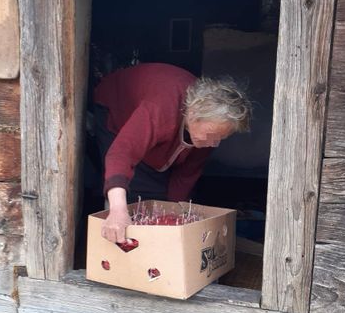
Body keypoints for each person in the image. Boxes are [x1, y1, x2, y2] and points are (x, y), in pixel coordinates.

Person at [93, 63, 251, 243]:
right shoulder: (162, 108)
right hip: (117, 108)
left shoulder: (207, 134)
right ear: (193, 114)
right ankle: (115, 240)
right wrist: (118, 211)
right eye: (212, 134)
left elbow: (186, 175)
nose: (214, 143)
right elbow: (121, 153)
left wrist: (174, 217)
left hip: (159, 123)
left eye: (221, 138)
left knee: (157, 200)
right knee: (133, 198)